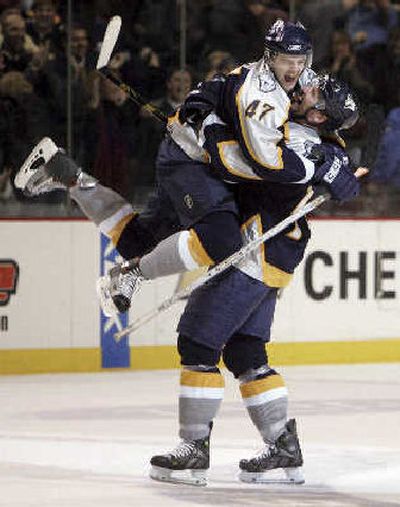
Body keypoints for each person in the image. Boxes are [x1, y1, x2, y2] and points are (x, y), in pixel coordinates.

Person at [14, 72, 362, 486]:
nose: (308, 86)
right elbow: (320, 157)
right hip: (276, 259)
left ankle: (194, 448)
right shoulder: (319, 139)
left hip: (251, 251)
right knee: (246, 350)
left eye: (316, 93)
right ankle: (283, 443)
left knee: (197, 342)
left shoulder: (299, 141)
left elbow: (258, 158)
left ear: (320, 115)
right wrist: (338, 169)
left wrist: (204, 131)